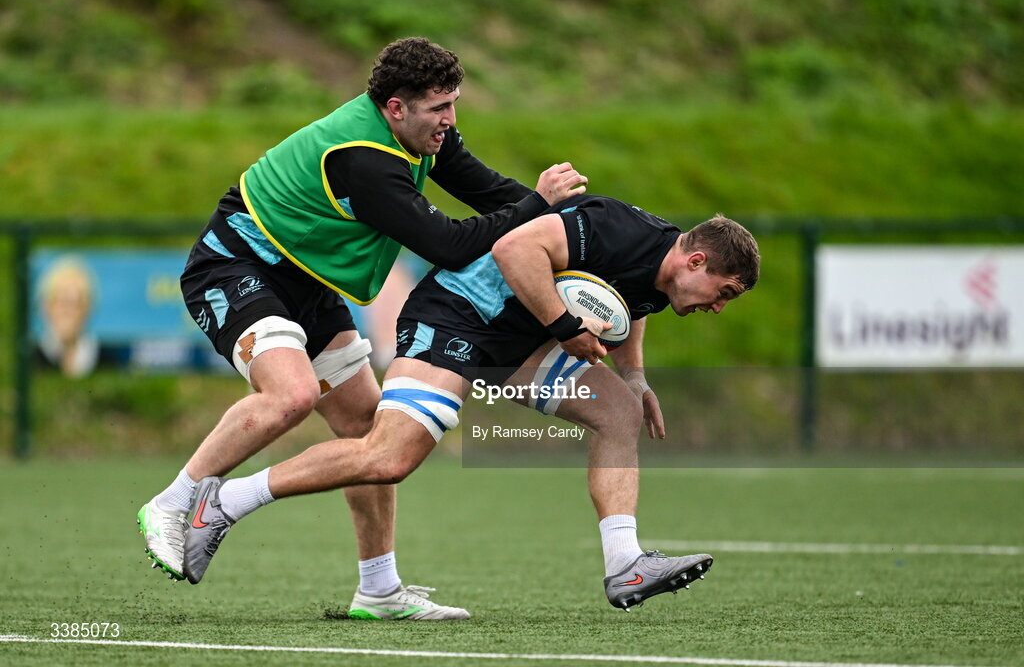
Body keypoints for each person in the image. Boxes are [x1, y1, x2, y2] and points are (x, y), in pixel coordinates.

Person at [136, 36, 588, 621]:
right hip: (236, 268)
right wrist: (535, 208)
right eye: (439, 108)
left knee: (365, 432)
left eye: (454, 105)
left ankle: (378, 589)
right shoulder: (366, 161)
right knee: (291, 394)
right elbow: (448, 245)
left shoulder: (422, 134)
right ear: (395, 108)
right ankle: (173, 504)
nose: (450, 121)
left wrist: (577, 222)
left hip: (305, 281)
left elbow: (489, 192)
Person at [177, 195, 760, 612]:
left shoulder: (663, 277)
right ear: (697, 262)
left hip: (516, 341)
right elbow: (514, 248)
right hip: (457, 317)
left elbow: (629, 308)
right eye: (724, 294)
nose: (718, 307)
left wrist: (634, 381)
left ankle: (624, 564)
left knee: (617, 413)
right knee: (389, 457)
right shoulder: (621, 231)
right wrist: (562, 326)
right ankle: (223, 501)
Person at [36, 257, 100, 378]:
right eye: (61, 302)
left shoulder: (108, 361)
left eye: (76, 303)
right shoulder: (29, 360)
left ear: (88, 309)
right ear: (46, 307)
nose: (67, 311)